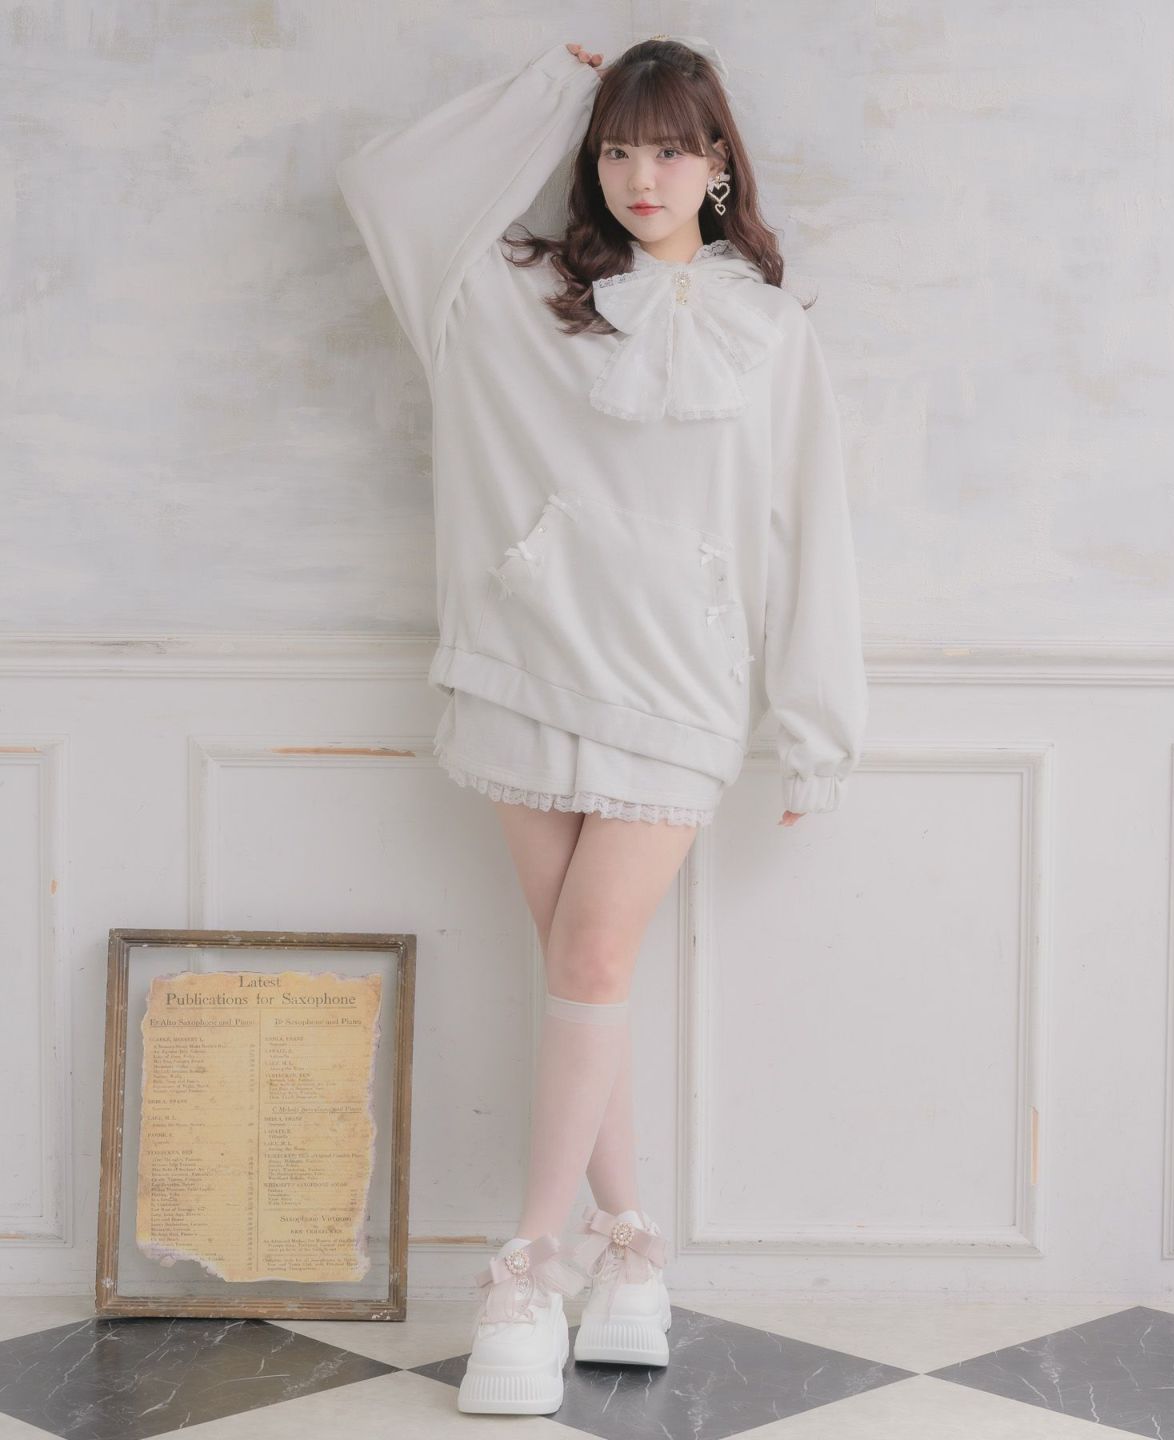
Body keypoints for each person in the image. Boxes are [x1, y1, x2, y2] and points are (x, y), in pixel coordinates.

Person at [335, 33, 869, 1415]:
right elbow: (384, 187)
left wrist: (814, 727)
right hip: (523, 664)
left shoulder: (771, 333)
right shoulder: (512, 298)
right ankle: (630, 1253)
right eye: (619, 147)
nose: (643, 176)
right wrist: (542, 86)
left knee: (587, 956)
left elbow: (811, 531)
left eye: (672, 149)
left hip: (679, 690)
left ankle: (525, 1271)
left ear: (719, 161)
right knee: (590, 975)